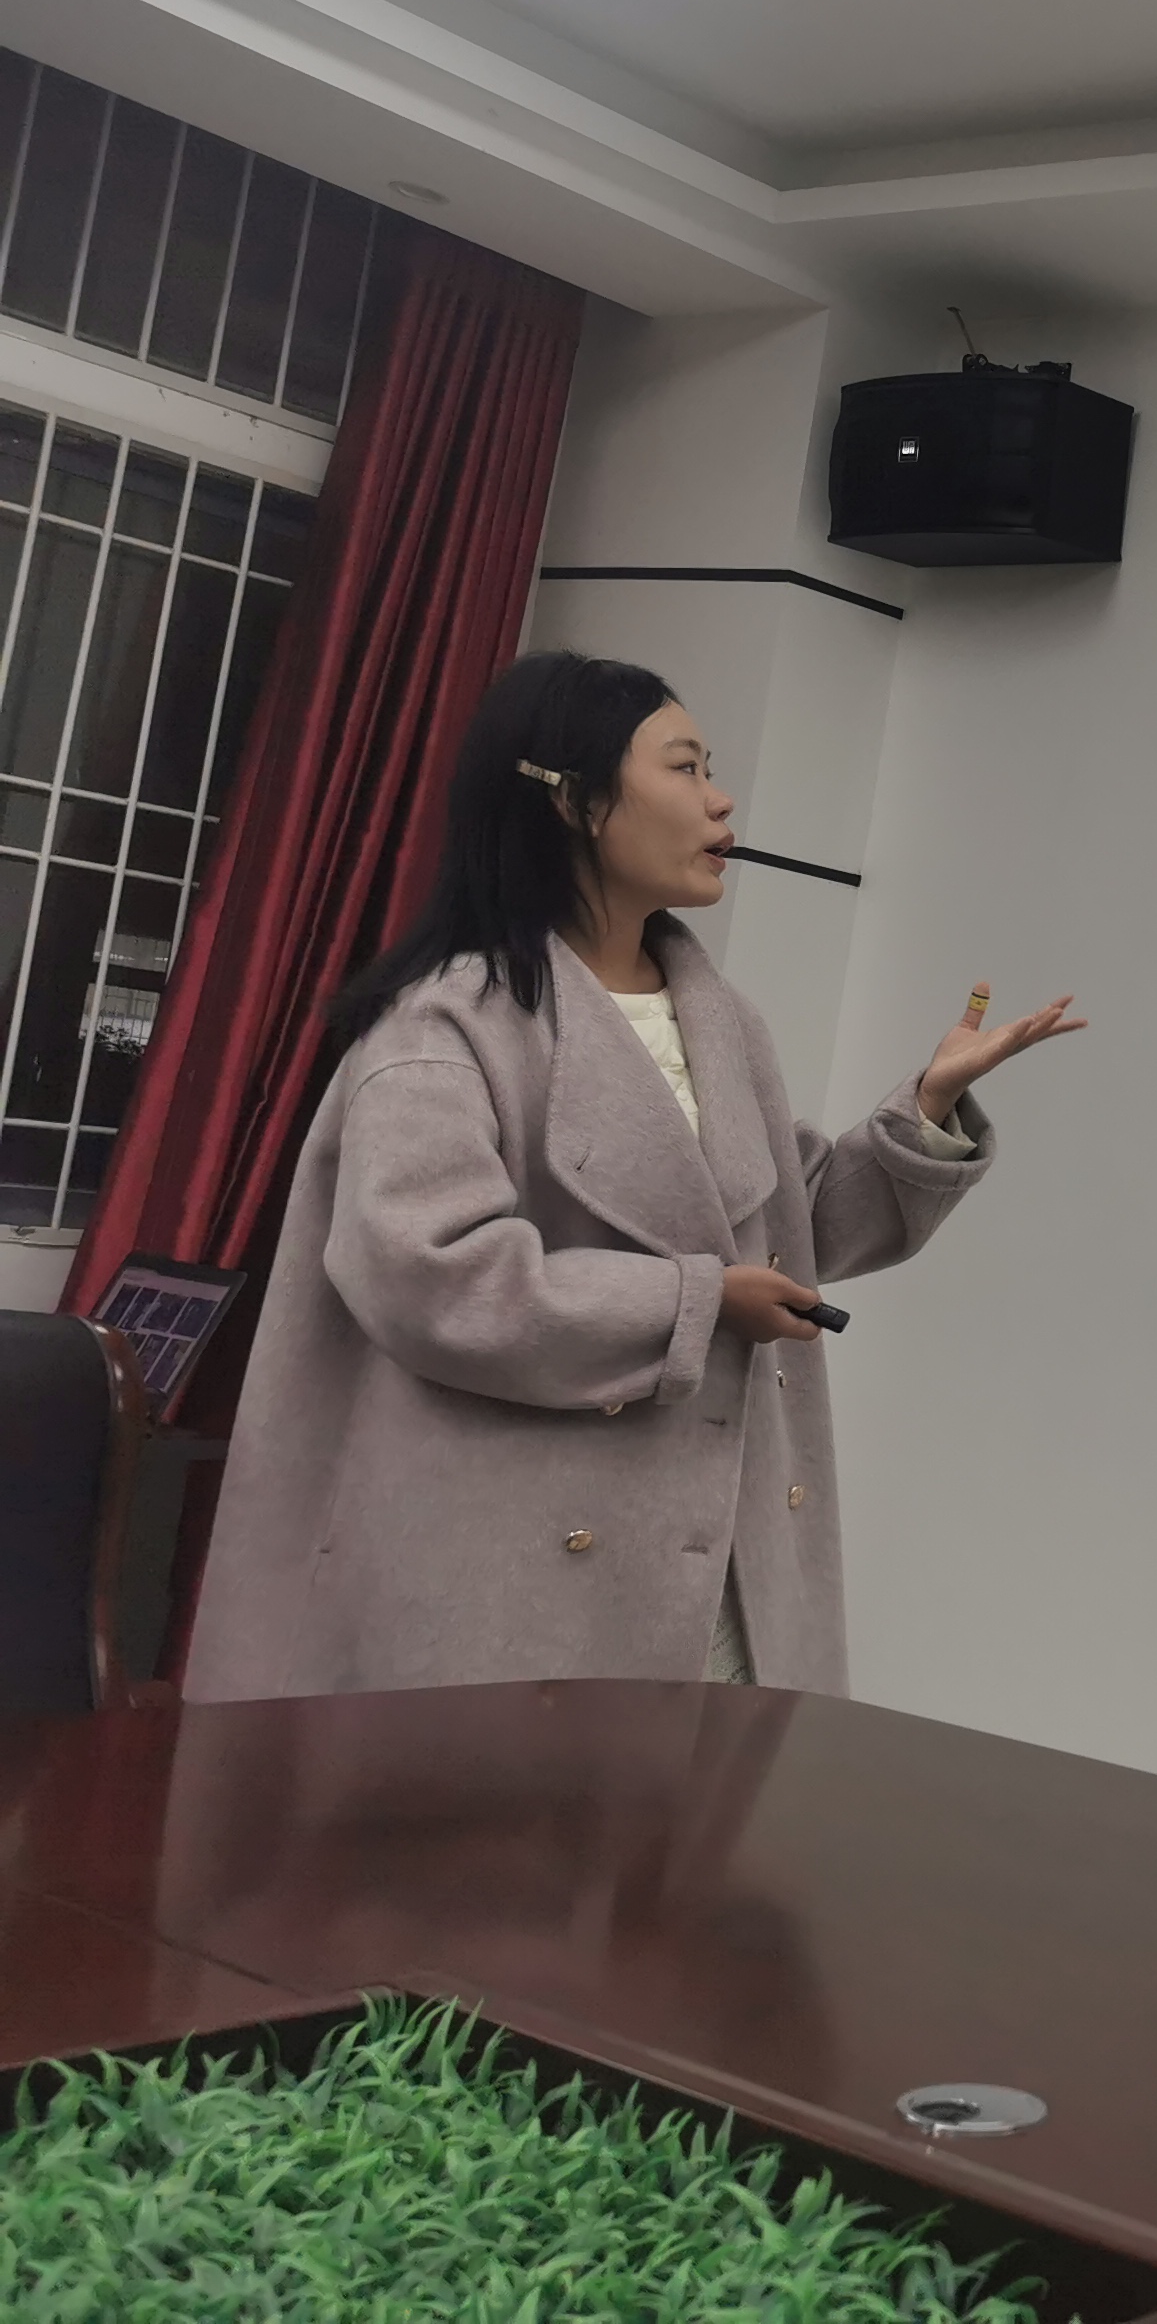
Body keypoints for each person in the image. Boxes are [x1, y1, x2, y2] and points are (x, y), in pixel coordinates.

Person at [183, 654, 1080, 1703]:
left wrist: (925, 1107)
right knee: (535, 1807)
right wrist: (696, 1303)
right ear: (572, 799)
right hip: (518, 1574)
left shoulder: (722, 1019)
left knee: (714, 1798)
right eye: (685, 767)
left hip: (721, 1555)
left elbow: (792, 1230)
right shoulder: (445, 1027)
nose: (721, 798)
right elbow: (429, 1274)